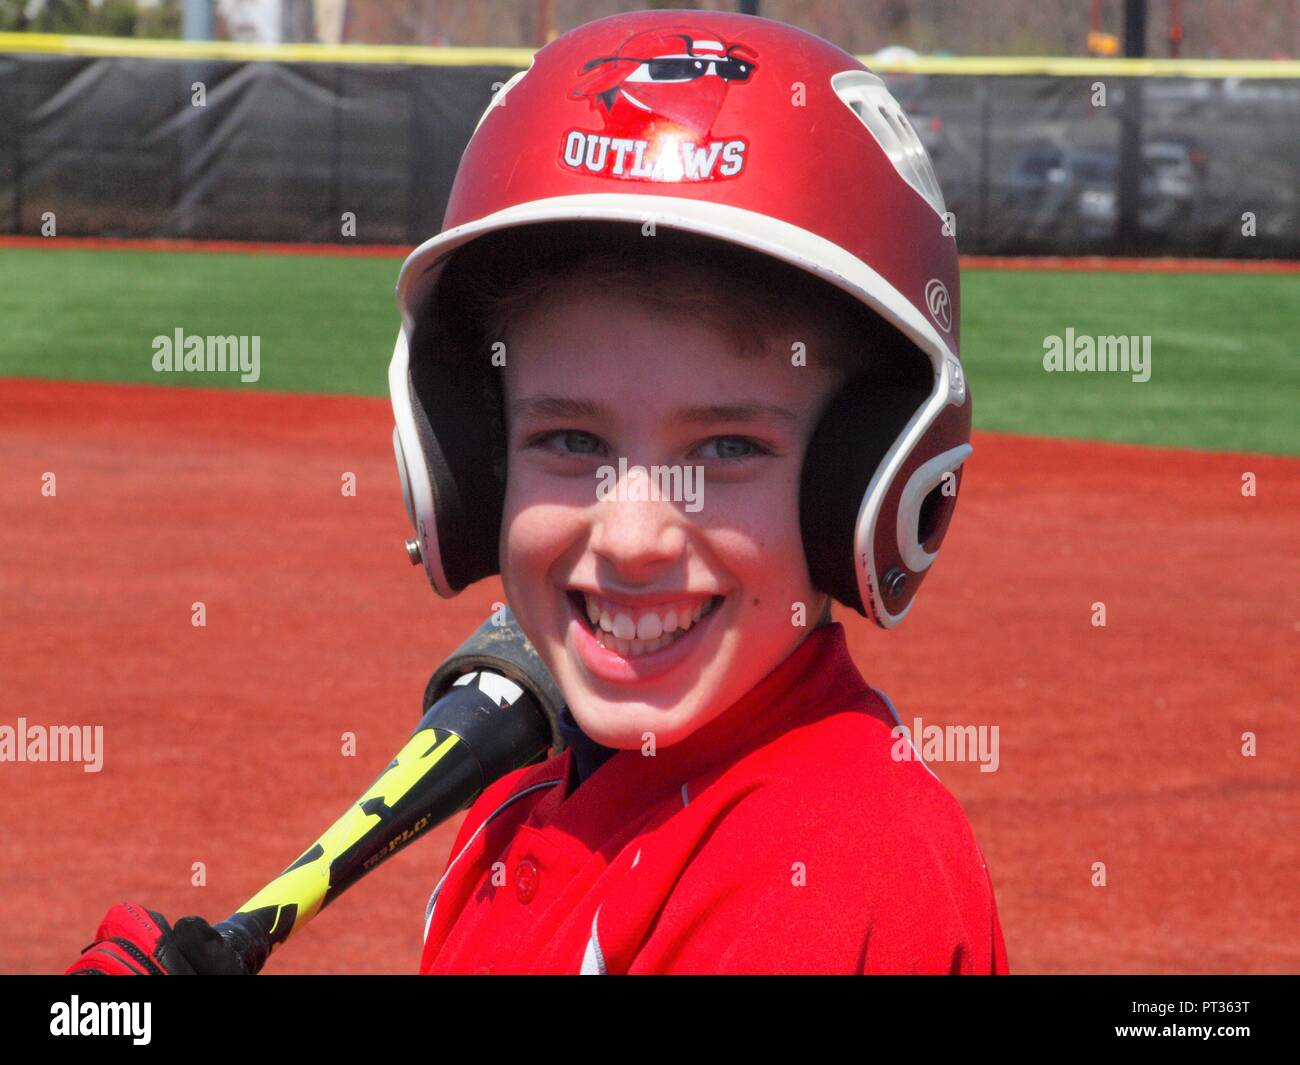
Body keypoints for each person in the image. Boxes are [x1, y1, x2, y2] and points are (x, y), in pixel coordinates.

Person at [65, 8, 1006, 976]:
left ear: (871, 478)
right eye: (570, 440)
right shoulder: (522, 807)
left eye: (727, 445)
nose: (634, 536)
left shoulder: (824, 868)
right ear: (469, 462)